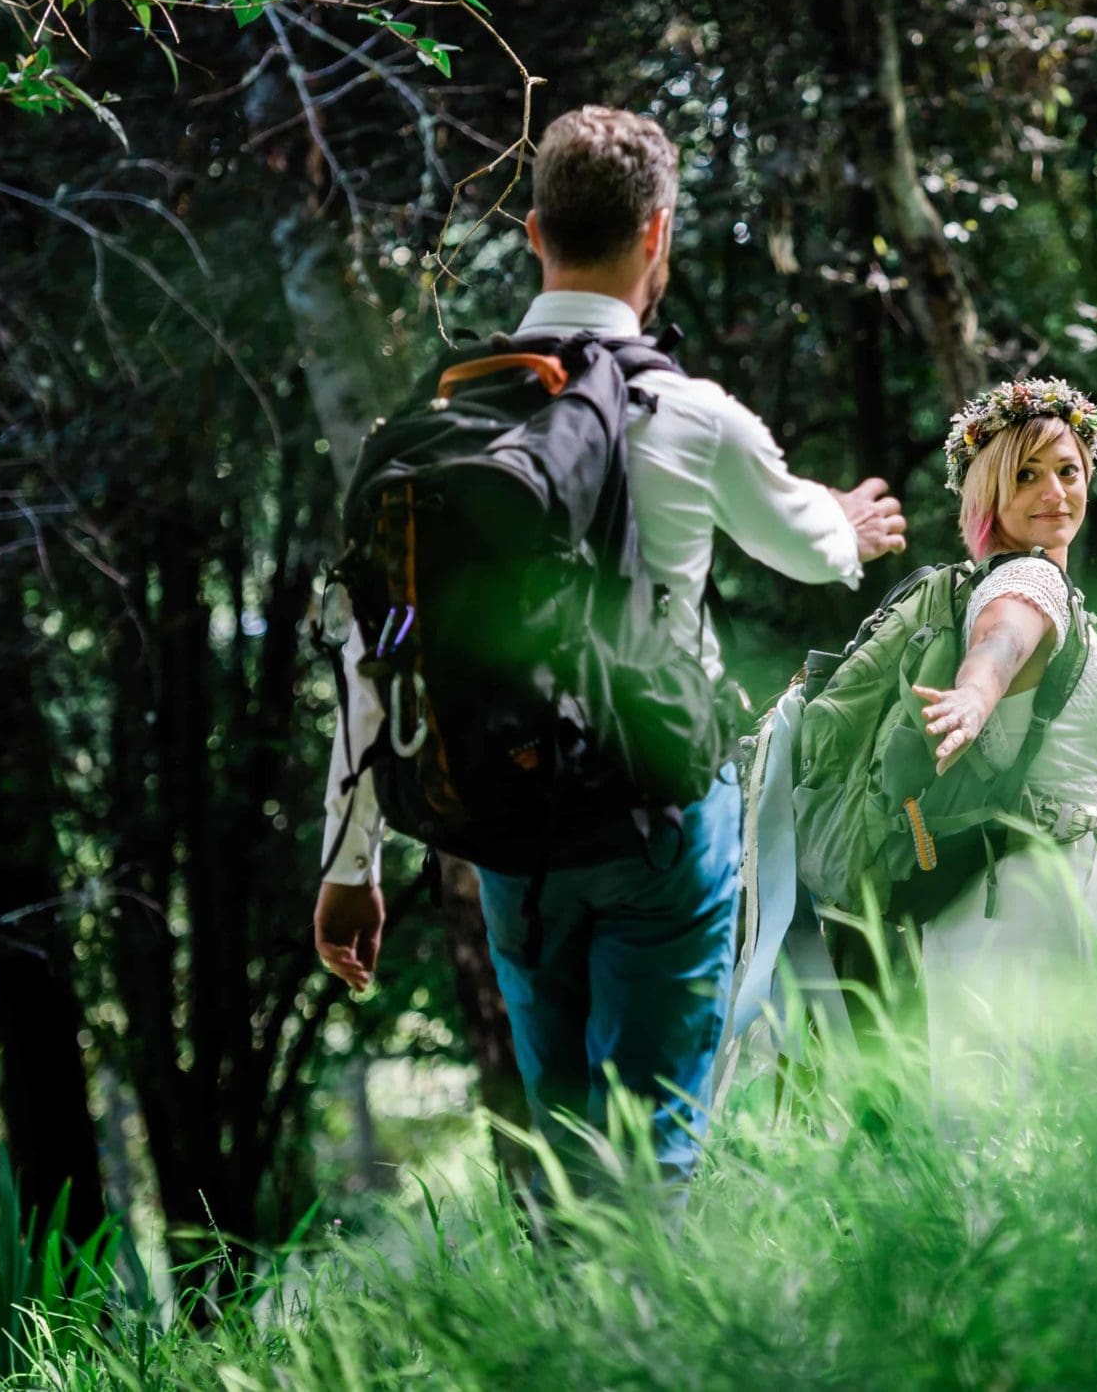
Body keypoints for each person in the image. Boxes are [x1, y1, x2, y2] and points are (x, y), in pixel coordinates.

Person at [311, 104, 907, 1181]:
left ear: (535, 234)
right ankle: (647, 1336)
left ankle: (571, 1327)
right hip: (660, 818)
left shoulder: (446, 423)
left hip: (505, 830)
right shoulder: (689, 411)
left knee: (563, 1136)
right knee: (654, 1146)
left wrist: (350, 862)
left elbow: (372, 651)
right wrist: (847, 518)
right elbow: (817, 548)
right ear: (658, 235)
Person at [904, 380, 1097, 1111]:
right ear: (989, 493)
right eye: (1026, 474)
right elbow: (1003, 640)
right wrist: (976, 693)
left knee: (1007, 1147)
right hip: (1040, 906)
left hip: (1003, 900)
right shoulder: (1027, 580)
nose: (1054, 491)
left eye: (1067, 470)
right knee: (1050, 1144)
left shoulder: (1037, 590)